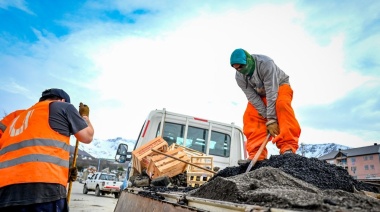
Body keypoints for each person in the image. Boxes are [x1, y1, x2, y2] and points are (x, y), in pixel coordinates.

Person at [0, 88, 94, 211]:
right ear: (62, 100)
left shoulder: (14, 117)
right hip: (45, 191)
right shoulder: (63, 107)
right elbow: (87, 136)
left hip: (5, 192)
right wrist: (84, 118)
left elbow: (26, 155)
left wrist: (64, 174)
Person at [230, 48, 301, 161]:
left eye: (241, 67)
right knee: (250, 115)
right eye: (236, 68)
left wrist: (272, 118)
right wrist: (268, 119)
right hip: (260, 94)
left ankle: (288, 147)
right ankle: (257, 154)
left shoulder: (266, 63)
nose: (239, 70)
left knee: (282, 105)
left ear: (247, 61)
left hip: (279, 86)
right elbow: (252, 97)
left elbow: (272, 92)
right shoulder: (239, 77)